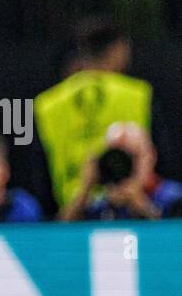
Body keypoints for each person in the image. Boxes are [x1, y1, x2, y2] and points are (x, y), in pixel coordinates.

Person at [35, 16, 152, 210]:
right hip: (132, 214)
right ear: (119, 50)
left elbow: (42, 180)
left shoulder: (48, 104)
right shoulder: (138, 94)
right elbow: (162, 159)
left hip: (70, 223)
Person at [59, 122, 182, 221]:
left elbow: (174, 243)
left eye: (131, 156)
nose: (122, 165)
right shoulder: (103, 203)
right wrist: (85, 188)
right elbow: (59, 235)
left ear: (151, 157)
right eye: (116, 158)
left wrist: (143, 207)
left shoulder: (172, 197)